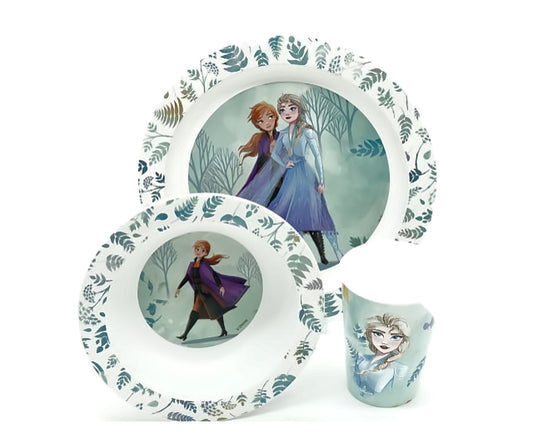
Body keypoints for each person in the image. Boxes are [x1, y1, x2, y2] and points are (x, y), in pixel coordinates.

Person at [268, 93, 342, 264]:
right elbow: (274, 154)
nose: (287, 112)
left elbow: (317, 156)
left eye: (291, 108)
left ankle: (330, 253)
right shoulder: (283, 133)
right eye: (282, 110)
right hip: (291, 176)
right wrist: (284, 163)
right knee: (291, 211)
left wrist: (322, 180)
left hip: (306, 175)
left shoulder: (307, 131)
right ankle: (292, 255)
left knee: (313, 212)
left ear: (299, 109)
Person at [174, 240, 248, 341]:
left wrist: (221, 286)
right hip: (199, 292)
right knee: (211, 310)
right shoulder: (192, 264)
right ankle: (186, 334)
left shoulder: (204, 265)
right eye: (197, 249)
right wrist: (179, 287)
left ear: (206, 253)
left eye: (202, 250)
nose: (198, 251)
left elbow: (214, 275)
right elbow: (187, 277)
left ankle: (186, 334)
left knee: (212, 310)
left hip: (207, 292)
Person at [353, 314, 410, 395]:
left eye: (395, 337)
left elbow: (396, 394)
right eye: (378, 334)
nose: (385, 342)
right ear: (370, 334)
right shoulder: (361, 358)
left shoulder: (399, 369)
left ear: (402, 341)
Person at [236, 102, 280, 195]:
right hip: (266, 180)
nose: (267, 122)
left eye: (270, 116)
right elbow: (259, 165)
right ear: (257, 125)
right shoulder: (261, 140)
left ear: (275, 117)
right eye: (261, 121)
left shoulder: (282, 137)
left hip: (281, 178)